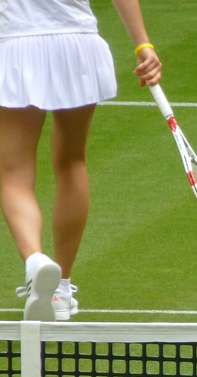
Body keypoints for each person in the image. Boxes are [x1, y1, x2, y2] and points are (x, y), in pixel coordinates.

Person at [0, 0, 162, 321]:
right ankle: (59, 289)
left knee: (14, 175)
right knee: (72, 162)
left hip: (16, 44)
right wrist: (143, 44)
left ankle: (35, 261)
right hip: (77, 44)